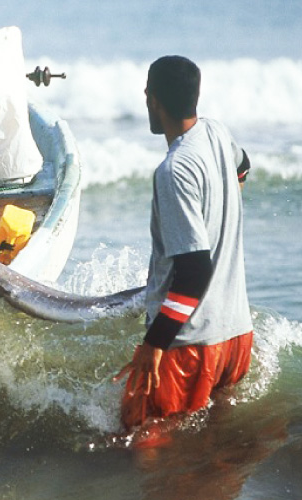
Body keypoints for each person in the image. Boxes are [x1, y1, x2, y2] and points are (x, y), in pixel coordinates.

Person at [113, 56, 255, 433]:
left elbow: (194, 272)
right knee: (205, 448)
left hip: (190, 345)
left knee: (142, 442)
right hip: (236, 335)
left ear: (152, 99)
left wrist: (154, 345)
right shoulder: (216, 133)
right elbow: (243, 167)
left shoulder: (174, 170)